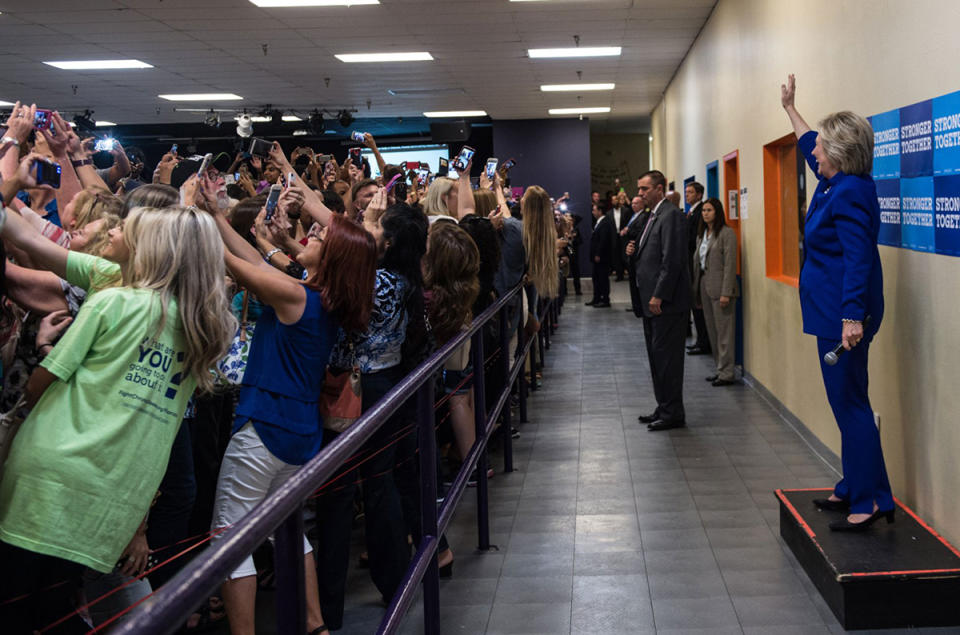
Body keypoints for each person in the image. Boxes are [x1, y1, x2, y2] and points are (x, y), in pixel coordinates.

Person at [0, 153, 235, 633]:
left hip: (51, 476)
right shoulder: (201, 324)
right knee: (59, 605)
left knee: (22, 605)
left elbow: (43, 382)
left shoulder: (112, 297)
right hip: (117, 490)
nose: (111, 229)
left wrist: (46, 348)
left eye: (127, 227)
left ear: (150, 249)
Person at [780, 74, 891, 531]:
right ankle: (859, 486)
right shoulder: (834, 183)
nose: (815, 153)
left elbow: (858, 259)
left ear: (841, 153)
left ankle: (867, 502)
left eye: (823, 148)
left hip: (844, 314)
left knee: (850, 406)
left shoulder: (849, 194)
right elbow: (808, 141)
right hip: (833, 310)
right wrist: (790, 108)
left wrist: (850, 316)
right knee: (848, 402)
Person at [626, 170, 691, 431]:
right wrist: (632, 252)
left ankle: (673, 412)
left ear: (660, 189)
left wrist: (658, 294)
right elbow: (649, 253)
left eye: (645, 189)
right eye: (639, 189)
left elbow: (672, 260)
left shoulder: (671, 216)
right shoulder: (653, 216)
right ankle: (664, 406)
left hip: (666, 303)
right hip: (651, 302)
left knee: (668, 360)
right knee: (657, 358)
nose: (640, 194)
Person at [691, 197, 738, 386]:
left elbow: (730, 265)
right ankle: (720, 369)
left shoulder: (727, 234)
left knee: (724, 333)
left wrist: (726, 292)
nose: (705, 213)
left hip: (721, 289)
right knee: (712, 332)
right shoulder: (702, 234)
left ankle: (727, 373)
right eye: (703, 211)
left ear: (717, 212)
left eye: (709, 210)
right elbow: (698, 262)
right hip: (704, 285)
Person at [684, 181, 712, 356]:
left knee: (699, 307)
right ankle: (700, 340)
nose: (687, 195)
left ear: (699, 194)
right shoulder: (691, 211)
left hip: (697, 264)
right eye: (686, 192)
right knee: (695, 305)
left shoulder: (700, 212)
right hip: (690, 262)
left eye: (691, 192)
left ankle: (704, 342)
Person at [622, 195, 648, 316]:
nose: (633, 205)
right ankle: (635, 305)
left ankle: (638, 306)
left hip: (635, 252)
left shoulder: (643, 216)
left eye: (636, 203)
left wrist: (628, 231)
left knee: (636, 281)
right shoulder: (634, 216)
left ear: (642, 204)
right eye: (632, 203)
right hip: (629, 250)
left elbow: (639, 232)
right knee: (632, 281)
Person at [586, 202, 614, 307]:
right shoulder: (599, 222)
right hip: (597, 257)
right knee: (596, 278)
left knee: (603, 278)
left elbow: (604, 240)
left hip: (602, 257)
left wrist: (598, 254)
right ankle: (596, 298)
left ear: (600, 211)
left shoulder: (605, 222)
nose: (593, 212)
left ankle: (605, 300)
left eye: (594, 210)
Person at [609, 191, 631, 280]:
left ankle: (630, 273)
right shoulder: (609, 213)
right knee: (616, 256)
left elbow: (630, 222)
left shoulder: (625, 210)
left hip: (624, 236)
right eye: (613, 200)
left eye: (616, 200)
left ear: (618, 200)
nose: (615, 201)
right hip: (614, 237)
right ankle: (619, 275)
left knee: (625, 255)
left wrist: (626, 229)